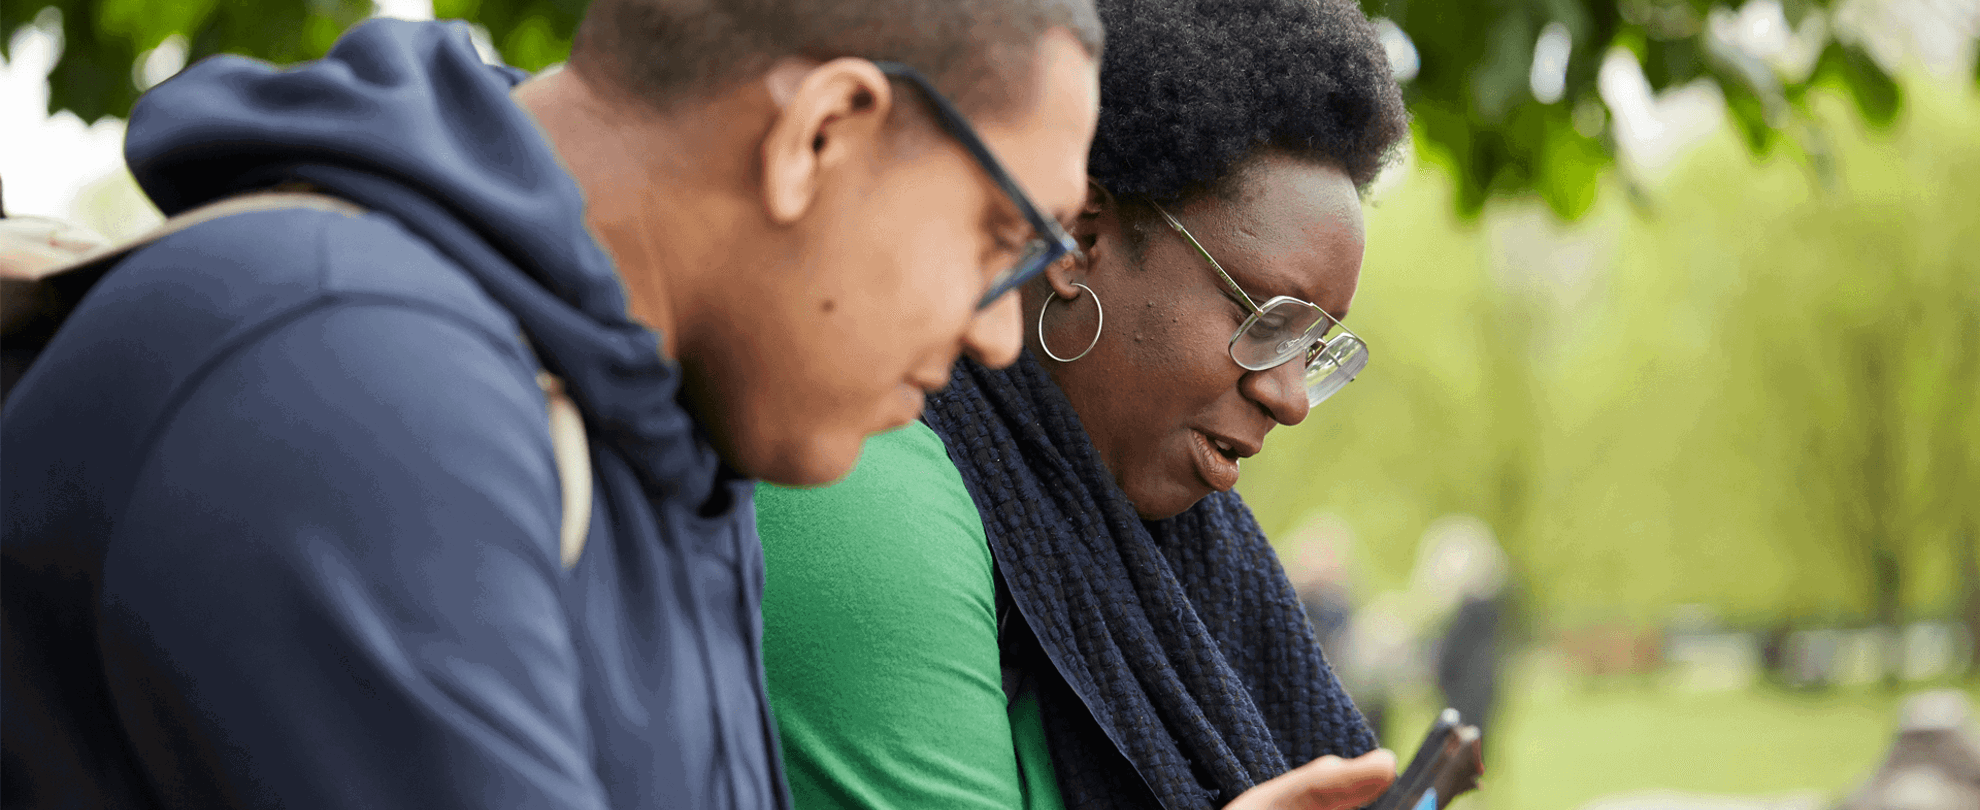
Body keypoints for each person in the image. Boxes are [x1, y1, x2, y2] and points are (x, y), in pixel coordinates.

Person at [0, 0, 1101, 805]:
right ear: (824, 134)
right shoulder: (361, 387)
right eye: (1002, 245)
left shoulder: (649, 420)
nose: (999, 335)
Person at [753, 0, 1411, 807]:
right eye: (1266, 319)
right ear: (1079, 242)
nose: (1290, 398)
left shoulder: (1180, 551)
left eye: (1314, 346)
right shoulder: (863, 473)